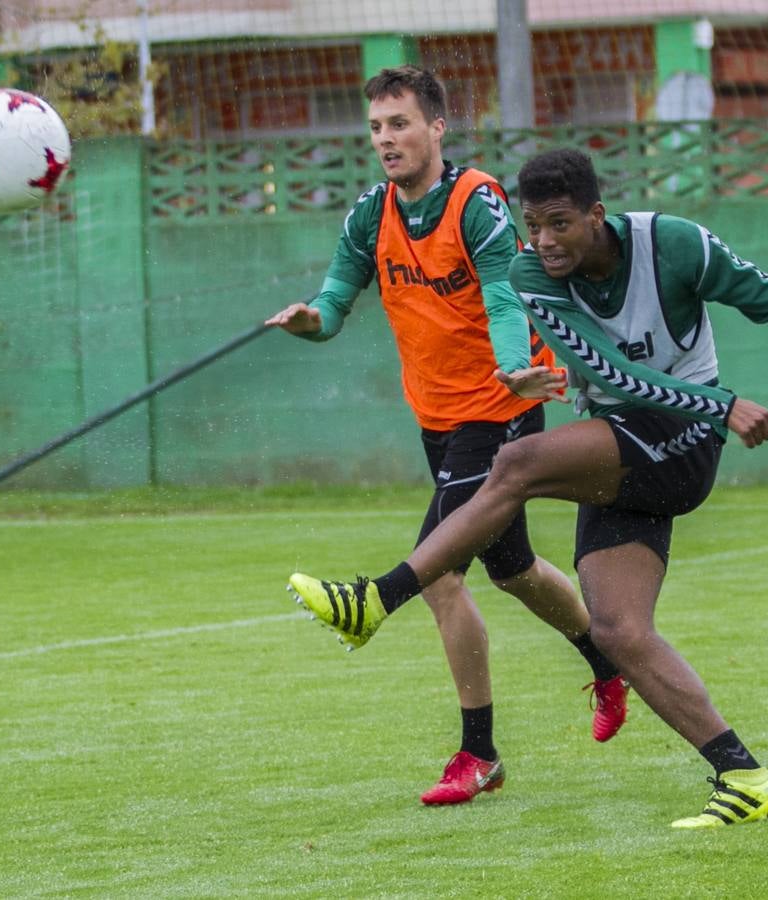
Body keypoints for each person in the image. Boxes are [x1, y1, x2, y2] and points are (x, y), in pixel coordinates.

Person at [288, 148, 768, 827]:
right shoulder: (531, 275)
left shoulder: (673, 244)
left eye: (560, 224)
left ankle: (377, 598)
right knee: (619, 629)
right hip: (630, 442)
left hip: (683, 441)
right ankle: (744, 776)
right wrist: (721, 404)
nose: (543, 241)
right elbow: (607, 372)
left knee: (515, 466)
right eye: (533, 225)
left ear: (596, 216)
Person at [265, 69, 628, 806]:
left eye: (399, 124)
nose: (385, 140)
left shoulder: (479, 203)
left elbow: (502, 296)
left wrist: (512, 367)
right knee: (515, 570)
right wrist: (312, 324)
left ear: (436, 128)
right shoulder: (371, 214)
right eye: (375, 128)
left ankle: (476, 749)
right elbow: (336, 300)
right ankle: (608, 661)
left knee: (440, 574)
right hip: (435, 414)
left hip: (501, 407)